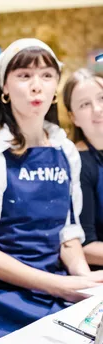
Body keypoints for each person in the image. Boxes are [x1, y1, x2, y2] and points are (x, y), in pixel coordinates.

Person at [0, 38, 103, 344]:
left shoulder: (64, 150)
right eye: (24, 76)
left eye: (47, 76)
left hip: (54, 294)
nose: (37, 87)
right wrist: (61, 286)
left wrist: (86, 284)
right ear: (4, 88)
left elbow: (68, 236)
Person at [62, 69, 103, 269]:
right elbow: (84, 246)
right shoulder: (78, 163)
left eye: (101, 98)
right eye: (85, 104)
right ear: (74, 118)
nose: (97, 109)